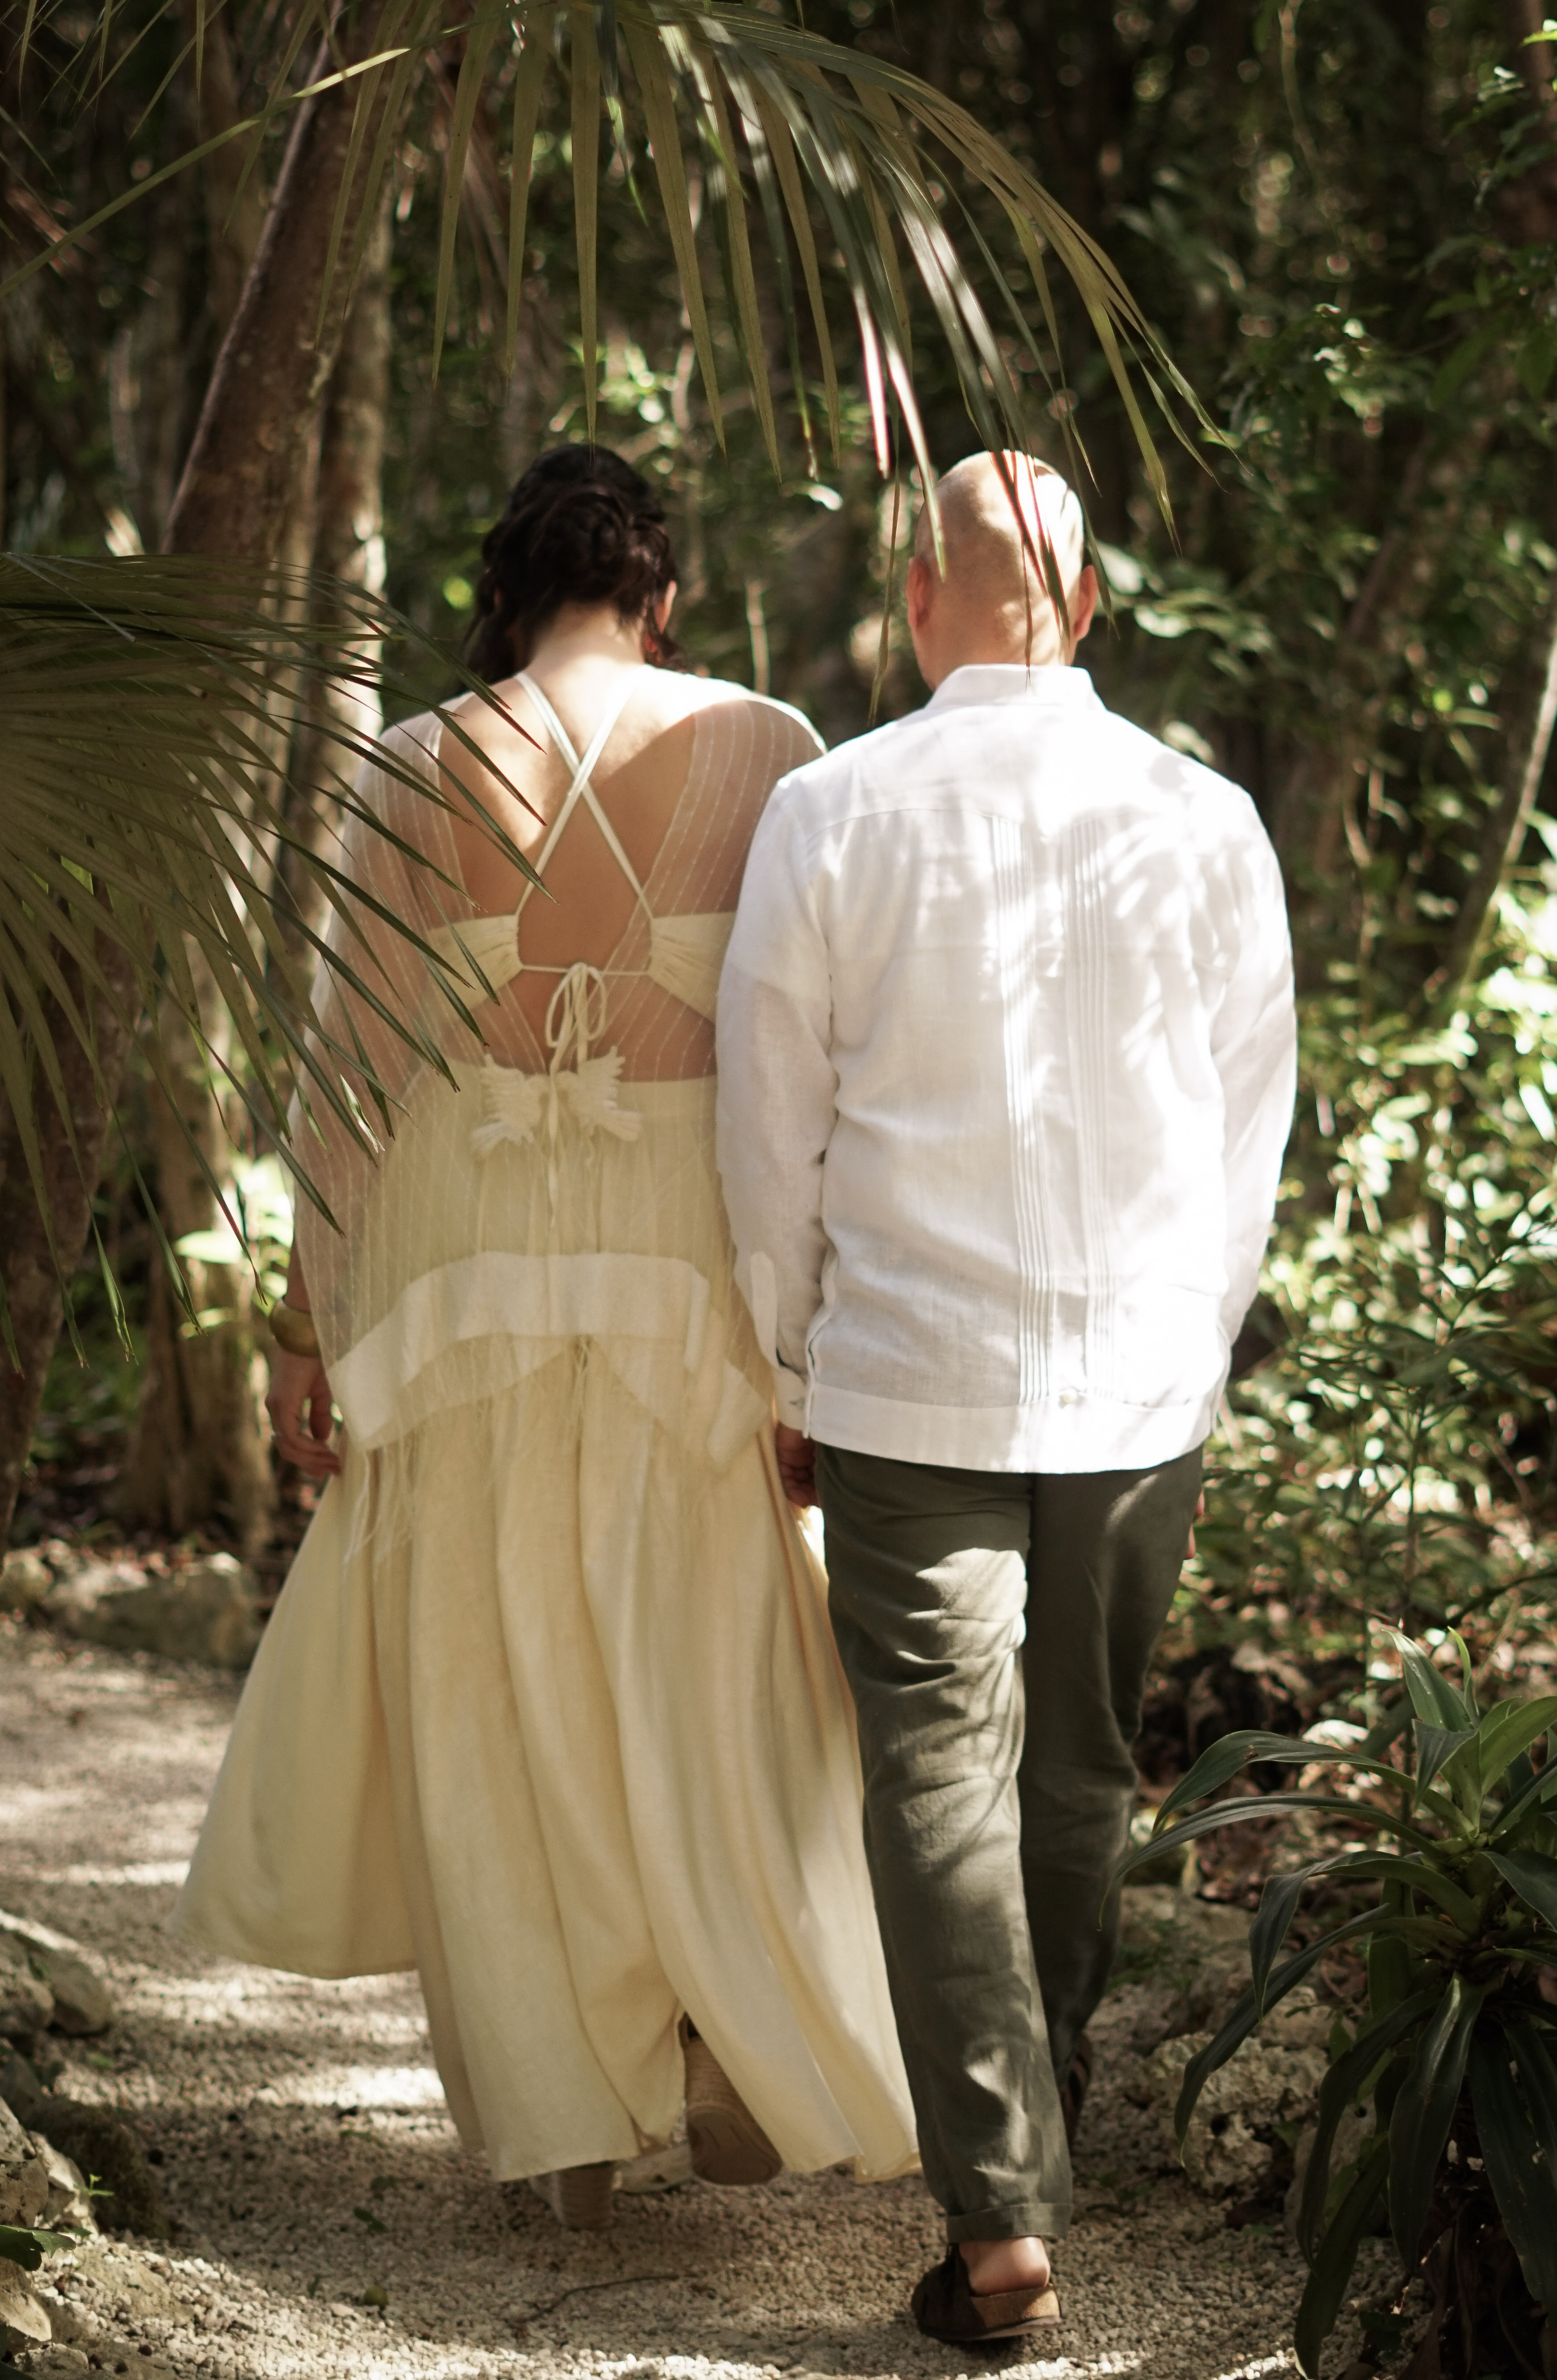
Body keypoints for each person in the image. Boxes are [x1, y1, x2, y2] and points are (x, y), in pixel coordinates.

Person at [175, 446, 918, 2229]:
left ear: (507, 590)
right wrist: (824, 1325)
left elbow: (340, 1083)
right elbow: (832, 1052)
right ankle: (740, 2038)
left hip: (466, 1256)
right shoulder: (770, 750)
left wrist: (306, 1323)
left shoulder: (408, 763)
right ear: (658, 587)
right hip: (689, 1261)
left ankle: (559, 2114)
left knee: (493, 1659)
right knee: (715, 1642)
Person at [715, 451, 1296, 2342]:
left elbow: (767, 1119)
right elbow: (1243, 1128)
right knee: (1071, 1765)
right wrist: (1189, 1346)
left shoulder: (831, 806)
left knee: (933, 1774)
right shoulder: (1203, 818)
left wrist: (785, 1346)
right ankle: (1017, 2166)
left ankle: (998, 2208)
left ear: (913, 599)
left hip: (902, 1366)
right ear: (1091, 606)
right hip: (1135, 1380)